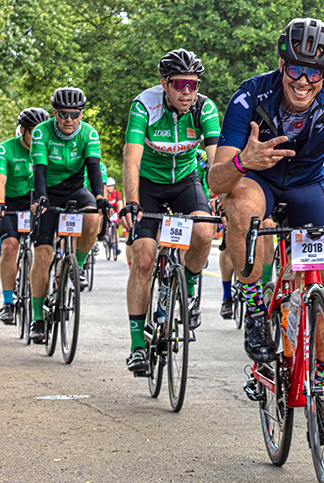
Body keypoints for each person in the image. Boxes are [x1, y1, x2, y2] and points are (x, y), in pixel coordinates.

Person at [209, 18, 324, 443]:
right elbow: (217, 181)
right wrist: (243, 162)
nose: (304, 80)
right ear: (282, 64)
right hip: (259, 181)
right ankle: (253, 304)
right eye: (295, 69)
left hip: (309, 186)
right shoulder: (250, 95)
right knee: (243, 205)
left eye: (315, 71)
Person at [118, 49, 219, 374]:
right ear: (165, 84)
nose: (187, 92)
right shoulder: (144, 106)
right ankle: (137, 345)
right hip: (148, 184)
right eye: (180, 84)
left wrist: (218, 197)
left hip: (185, 181)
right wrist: (130, 201)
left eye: (193, 84)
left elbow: (216, 159)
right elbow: (131, 158)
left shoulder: (205, 108)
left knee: (204, 229)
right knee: (144, 257)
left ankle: (188, 289)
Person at [28, 87, 109, 343]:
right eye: (63, 114)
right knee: (42, 255)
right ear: (55, 113)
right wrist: (41, 198)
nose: (69, 120)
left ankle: (79, 265)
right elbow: (39, 170)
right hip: (47, 192)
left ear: (81, 114)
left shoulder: (89, 133)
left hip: (75, 189)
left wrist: (100, 197)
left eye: (74, 114)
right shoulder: (41, 132)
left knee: (94, 216)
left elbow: (94, 169)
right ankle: (37, 318)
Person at [0, 107, 49, 324]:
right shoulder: (5, 149)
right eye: (34, 132)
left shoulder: (46, 148)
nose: (38, 138)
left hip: (37, 200)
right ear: (23, 131)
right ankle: (8, 302)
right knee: (9, 247)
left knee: (45, 250)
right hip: (11, 202)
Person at [105, 177, 123, 257]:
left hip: (115, 212)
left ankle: (116, 248)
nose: (111, 188)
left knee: (115, 228)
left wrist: (120, 210)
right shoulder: (104, 193)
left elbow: (120, 202)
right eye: (109, 186)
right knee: (105, 224)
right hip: (107, 212)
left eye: (112, 186)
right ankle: (105, 237)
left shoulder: (116, 193)